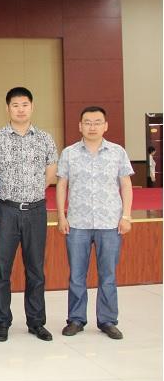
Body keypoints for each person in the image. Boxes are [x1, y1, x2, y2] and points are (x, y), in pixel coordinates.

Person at [0, 86, 58, 343]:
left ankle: (36, 322)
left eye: (25, 104)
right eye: (15, 105)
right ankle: (2, 322)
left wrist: (33, 190)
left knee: (35, 269)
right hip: (6, 210)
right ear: (8, 109)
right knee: (1, 269)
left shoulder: (45, 138)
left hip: (36, 210)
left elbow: (51, 170)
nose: (20, 109)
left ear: (32, 107)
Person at [57, 106, 134, 340]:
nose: (92, 127)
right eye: (88, 122)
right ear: (80, 126)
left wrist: (126, 216)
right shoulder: (69, 153)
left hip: (110, 223)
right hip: (77, 223)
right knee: (76, 275)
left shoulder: (117, 152)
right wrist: (61, 216)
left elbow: (126, 185)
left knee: (108, 275)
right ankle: (76, 319)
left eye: (97, 122)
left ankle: (108, 320)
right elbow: (61, 185)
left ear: (105, 126)